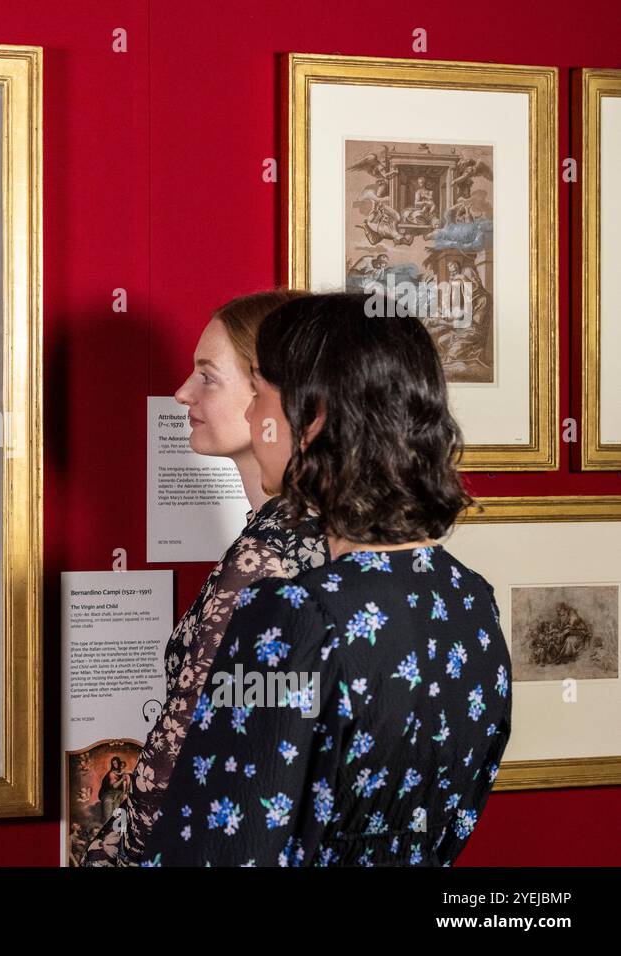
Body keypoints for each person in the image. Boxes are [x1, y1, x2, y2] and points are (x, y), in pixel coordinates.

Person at [141, 292, 511, 866]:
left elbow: (216, 845)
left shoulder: (292, 613)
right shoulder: (472, 602)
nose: (248, 416)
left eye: (258, 393)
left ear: (309, 420)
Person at [82, 290, 329, 866]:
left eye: (207, 377)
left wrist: (110, 859)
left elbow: (177, 757)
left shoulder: (265, 556)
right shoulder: (314, 535)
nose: (181, 393)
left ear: (270, 395)